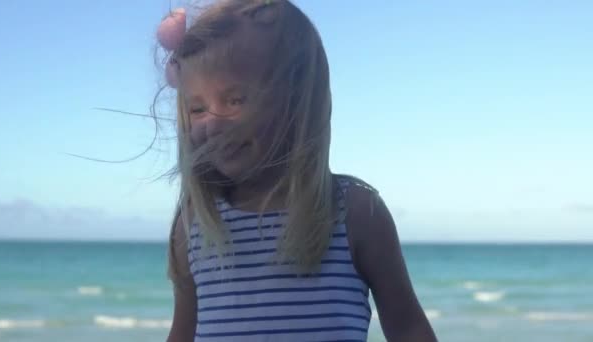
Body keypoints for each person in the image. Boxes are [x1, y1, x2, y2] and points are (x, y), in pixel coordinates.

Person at [158, 1, 437, 341]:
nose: (213, 124)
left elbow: (408, 327)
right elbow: (182, 334)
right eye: (197, 108)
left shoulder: (354, 212)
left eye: (235, 100)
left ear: (297, 96)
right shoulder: (195, 226)